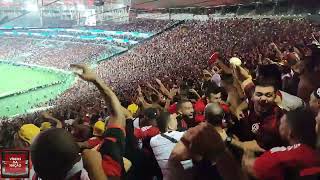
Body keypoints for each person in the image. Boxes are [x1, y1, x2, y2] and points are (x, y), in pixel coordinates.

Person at [71, 64, 126, 179]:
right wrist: (96, 80)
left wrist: (93, 166)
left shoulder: (101, 147)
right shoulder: (110, 148)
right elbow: (117, 114)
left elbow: (117, 114)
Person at [242, 108, 320, 180]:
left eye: (281, 123)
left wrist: (248, 151)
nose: (278, 124)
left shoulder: (288, 156)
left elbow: (251, 167)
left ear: (290, 132)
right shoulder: (314, 153)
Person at [150, 112, 193, 180]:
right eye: (174, 119)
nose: (176, 120)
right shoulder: (182, 135)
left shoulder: (153, 141)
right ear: (170, 126)